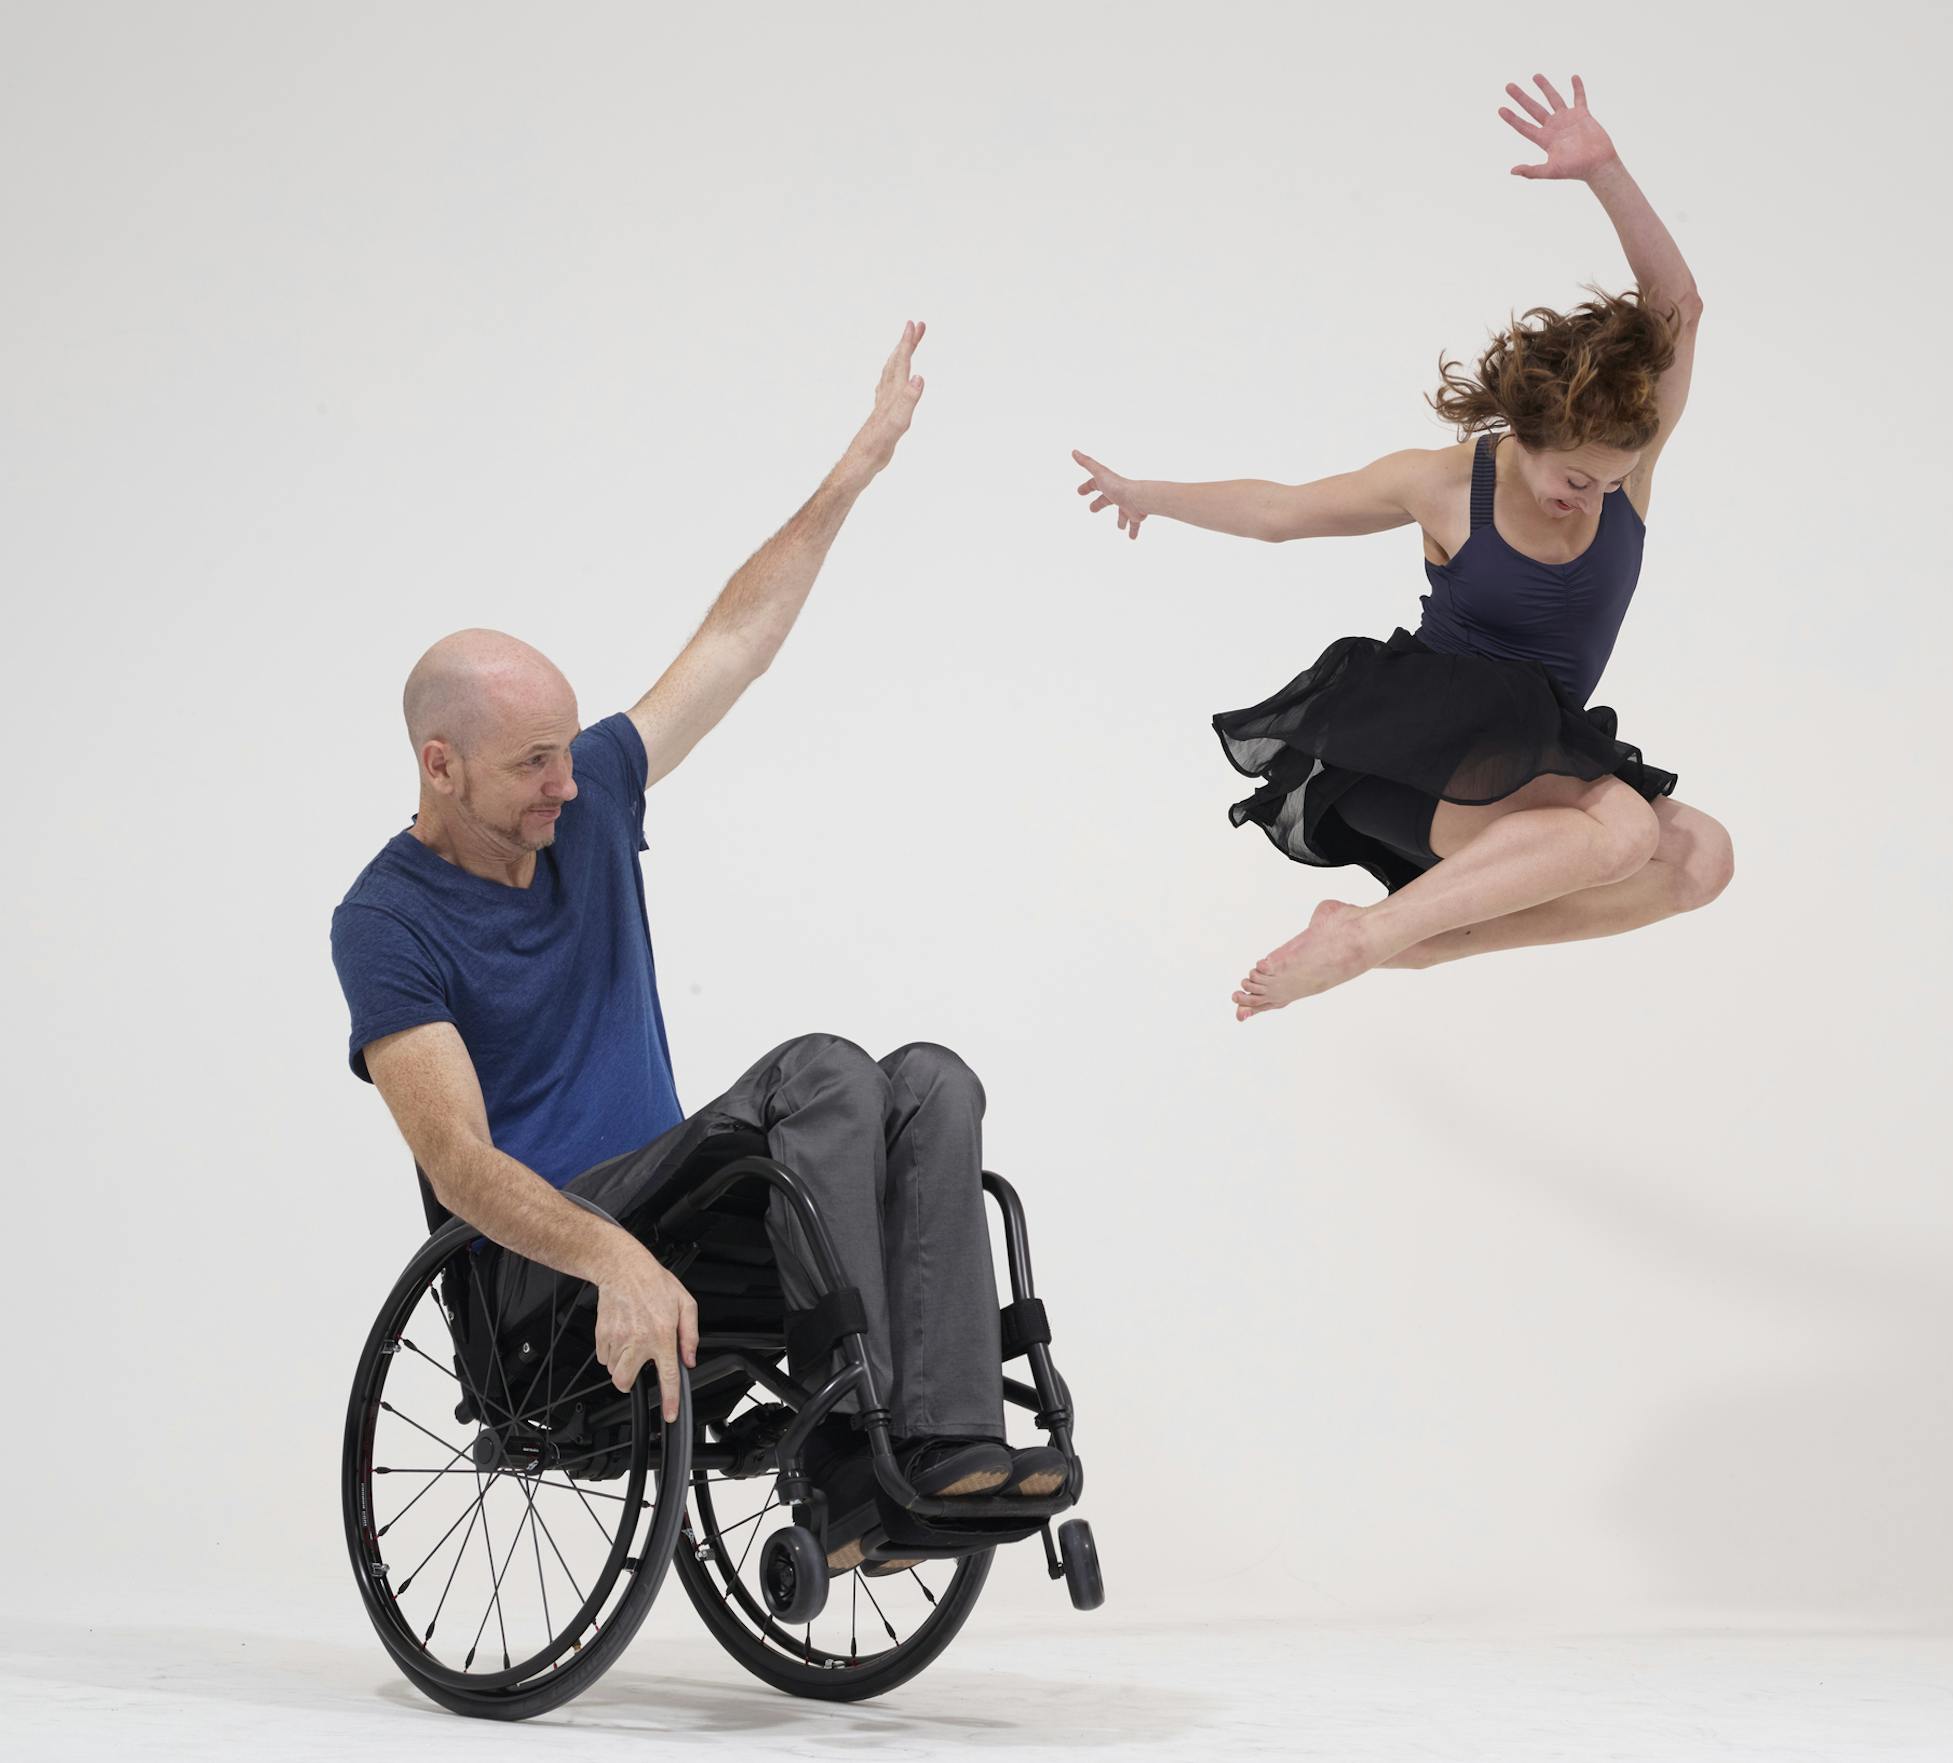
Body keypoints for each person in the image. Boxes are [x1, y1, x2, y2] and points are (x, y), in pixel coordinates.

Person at [330, 323, 1063, 1572]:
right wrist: (609, 1251)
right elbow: (455, 1162)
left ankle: (937, 1450)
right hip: (547, 1268)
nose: (570, 786)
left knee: (931, 1076)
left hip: (683, 1212)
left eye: (569, 750)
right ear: (437, 766)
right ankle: (849, 1450)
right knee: (827, 1066)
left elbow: (733, 640)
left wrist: (858, 467)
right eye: (530, 764)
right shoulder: (387, 919)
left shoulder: (586, 795)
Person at [1071, 75, 1733, 1019]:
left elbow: (1679, 306)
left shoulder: (1625, 469)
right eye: (1573, 476)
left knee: (1703, 859)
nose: (1587, 497)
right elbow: (1278, 510)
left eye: (1610, 480)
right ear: (1533, 426)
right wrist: (1152, 495)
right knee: (1624, 831)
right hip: (1413, 753)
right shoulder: (1444, 484)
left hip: (1538, 759)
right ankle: (1368, 934)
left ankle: (1412, 945)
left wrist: (1607, 171)